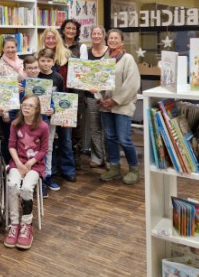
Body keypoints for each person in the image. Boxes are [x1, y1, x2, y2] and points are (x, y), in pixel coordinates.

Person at [4, 94, 48, 250]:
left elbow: (43, 150)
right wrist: (18, 163)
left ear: (37, 109)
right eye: (24, 105)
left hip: (34, 165)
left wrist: (29, 163)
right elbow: (11, 146)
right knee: (13, 185)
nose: (26, 108)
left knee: (27, 188)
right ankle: (14, 224)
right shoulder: (15, 124)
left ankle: (26, 224)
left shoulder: (43, 126)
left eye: (30, 105)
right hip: (17, 163)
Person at [98, 28, 141, 185]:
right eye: (110, 38)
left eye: (116, 38)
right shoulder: (103, 59)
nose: (113, 40)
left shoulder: (128, 59)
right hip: (105, 106)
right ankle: (115, 167)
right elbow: (97, 82)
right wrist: (100, 99)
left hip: (122, 105)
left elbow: (132, 84)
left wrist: (114, 100)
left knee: (124, 138)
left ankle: (134, 169)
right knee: (110, 137)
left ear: (122, 42)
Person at [37, 27, 76, 182]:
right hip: (45, 108)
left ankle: (68, 169)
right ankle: (50, 171)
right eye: (48, 38)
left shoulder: (66, 56)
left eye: (53, 38)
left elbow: (72, 81)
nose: (51, 40)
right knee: (48, 140)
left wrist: (70, 110)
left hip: (65, 102)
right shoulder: (38, 57)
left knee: (66, 138)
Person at [60, 19, 87, 168]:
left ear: (77, 32)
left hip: (76, 90)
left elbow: (83, 69)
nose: (70, 31)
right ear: (63, 30)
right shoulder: (58, 45)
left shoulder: (81, 47)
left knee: (77, 125)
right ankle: (64, 156)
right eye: (67, 28)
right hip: (62, 89)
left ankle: (75, 155)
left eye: (73, 29)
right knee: (63, 125)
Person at [0, 36, 25, 163]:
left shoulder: (22, 63)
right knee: (9, 139)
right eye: (8, 47)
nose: (11, 50)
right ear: (3, 48)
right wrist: (5, 111)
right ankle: (8, 166)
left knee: (22, 139)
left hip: (23, 108)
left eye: (13, 47)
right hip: (7, 110)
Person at [35, 49, 63, 192]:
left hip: (50, 119)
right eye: (42, 60)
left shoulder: (58, 78)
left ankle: (47, 176)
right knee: (36, 148)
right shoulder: (35, 75)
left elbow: (61, 98)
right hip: (34, 119)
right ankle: (37, 177)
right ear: (38, 60)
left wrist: (55, 110)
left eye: (48, 61)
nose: (45, 64)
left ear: (53, 62)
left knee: (49, 147)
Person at [86, 26, 109, 169]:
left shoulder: (110, 52)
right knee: (94, 128)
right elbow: (83, 74)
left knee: (108, 129)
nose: (96, 36)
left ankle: (109, 160)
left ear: (104, 35)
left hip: (107, 96)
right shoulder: (87, 53)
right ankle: (97, 158)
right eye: (94, 34)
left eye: (99, 33)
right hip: (90, 96)